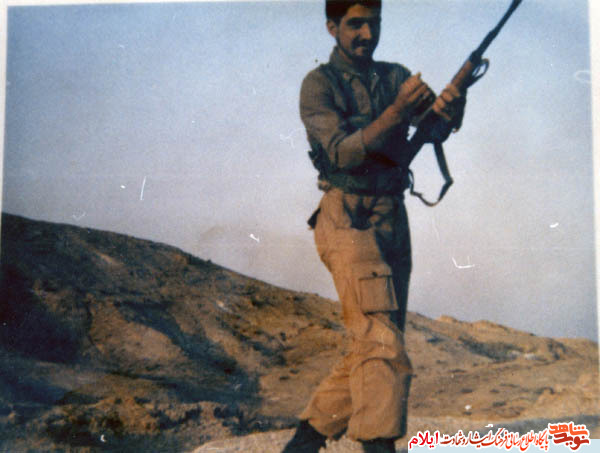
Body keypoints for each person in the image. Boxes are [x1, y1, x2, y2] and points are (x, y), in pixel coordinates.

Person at [282, 1, 466, 452]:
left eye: (374, 23)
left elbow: (432, 130)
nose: (367, 34)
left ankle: (304, 444)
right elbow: (343, 152)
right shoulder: (319, 85)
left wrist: (450, 110)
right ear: (332, 27)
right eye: (355, 24)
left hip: (391, 215)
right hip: (349, 217)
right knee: (380, 342)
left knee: (374, 340)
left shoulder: (394, 76)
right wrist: (398, 112)